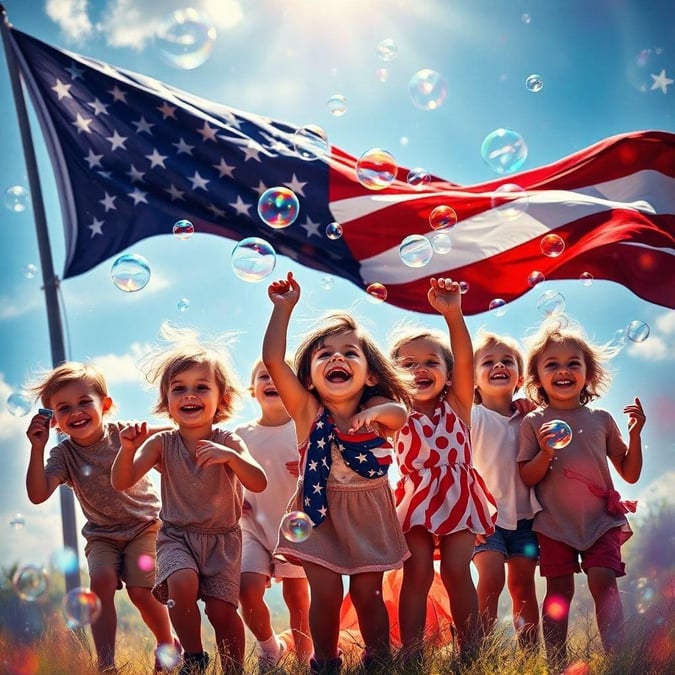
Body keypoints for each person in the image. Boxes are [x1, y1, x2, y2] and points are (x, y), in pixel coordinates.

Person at [262, 271, 413, 674]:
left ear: (371, 374)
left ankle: (379, 662)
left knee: (368, 595)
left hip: (368, 515)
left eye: (349, 352)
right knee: (325, 595)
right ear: (308, 377)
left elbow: (399, 415)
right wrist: (283, 310)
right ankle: (325, 663)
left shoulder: (380, 409)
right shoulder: (308, 411)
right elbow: (274, 361)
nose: (336, 358)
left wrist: (374, 411)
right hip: (317, 514)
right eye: (324, 354)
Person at [111, 324, 268, 675]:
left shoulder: (227, 440)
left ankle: (234, 669)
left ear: (222, 398)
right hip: (177, 535)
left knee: (221, 611)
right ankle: (194, 659)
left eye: (201, 387)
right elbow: (122, 481)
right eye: (178, 389)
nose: (189, 395)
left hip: (222, 541)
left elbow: (258, 482)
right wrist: (126, 450)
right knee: (180, 582)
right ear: (166, 401)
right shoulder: (162, 443)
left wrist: (231, 458)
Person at [24, 361, 177, 673]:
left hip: (144, 527)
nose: (76, 412)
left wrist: (190, 427)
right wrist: (36, 449)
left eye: (84, 402)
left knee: (140, 590)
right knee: (101, 581)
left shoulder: (124, 434)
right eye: (63, 408)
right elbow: (38, 494)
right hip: (102, 535)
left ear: (105, 405)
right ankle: (106, 665)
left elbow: (174, 433)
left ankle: (167, 644)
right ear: (53, 420)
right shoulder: (63, 455)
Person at [517, 317, 645, 670]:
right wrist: (544, 452)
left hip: (601, 520)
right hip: (554, 523)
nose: (563, 371)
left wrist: (634, 436)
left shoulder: (601, 418)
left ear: (588, 374)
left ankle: (617, 659)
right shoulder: (533, 423)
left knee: (604, 581)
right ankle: (556, 664)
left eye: (573, 363)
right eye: (552, 365)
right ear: (537, 377)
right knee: (559, 592)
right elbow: (527, 476)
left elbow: (630, 473)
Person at [389, 278, 497, 664]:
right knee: (416, 574)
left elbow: (466, 358)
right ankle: (412, 654)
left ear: (449, 375)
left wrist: (453, 314)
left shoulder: (458, 406)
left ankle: (473, 651)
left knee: (456, 571)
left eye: (431, 362)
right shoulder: (395, 414)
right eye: (408, 364)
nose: (420, 369)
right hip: (416, 498)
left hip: (458, 493)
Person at [235, 358, 312, 672]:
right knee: (245, 589)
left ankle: (305, 658)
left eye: (279, 376)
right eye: (263, 376)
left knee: (297, 598)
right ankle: (271, 646)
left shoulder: (305, 429)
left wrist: (308, 472)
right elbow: (227, 474)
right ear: (252, 389)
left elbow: (329, 470)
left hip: (296, 527)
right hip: (252, 527)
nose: (270, 381)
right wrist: (233, 498)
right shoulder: (240, 434)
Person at [471, 330, 541, 650]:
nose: (498, 365)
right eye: (488, 362)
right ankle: (476, 650)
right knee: (491, 580)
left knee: (523, 585)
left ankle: (530, 656)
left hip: (526, 519)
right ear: (472, 379)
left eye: (506, 361)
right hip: (485, 520)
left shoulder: (530, 418)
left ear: (520, 377)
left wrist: (536, 410)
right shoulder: (471, 417)